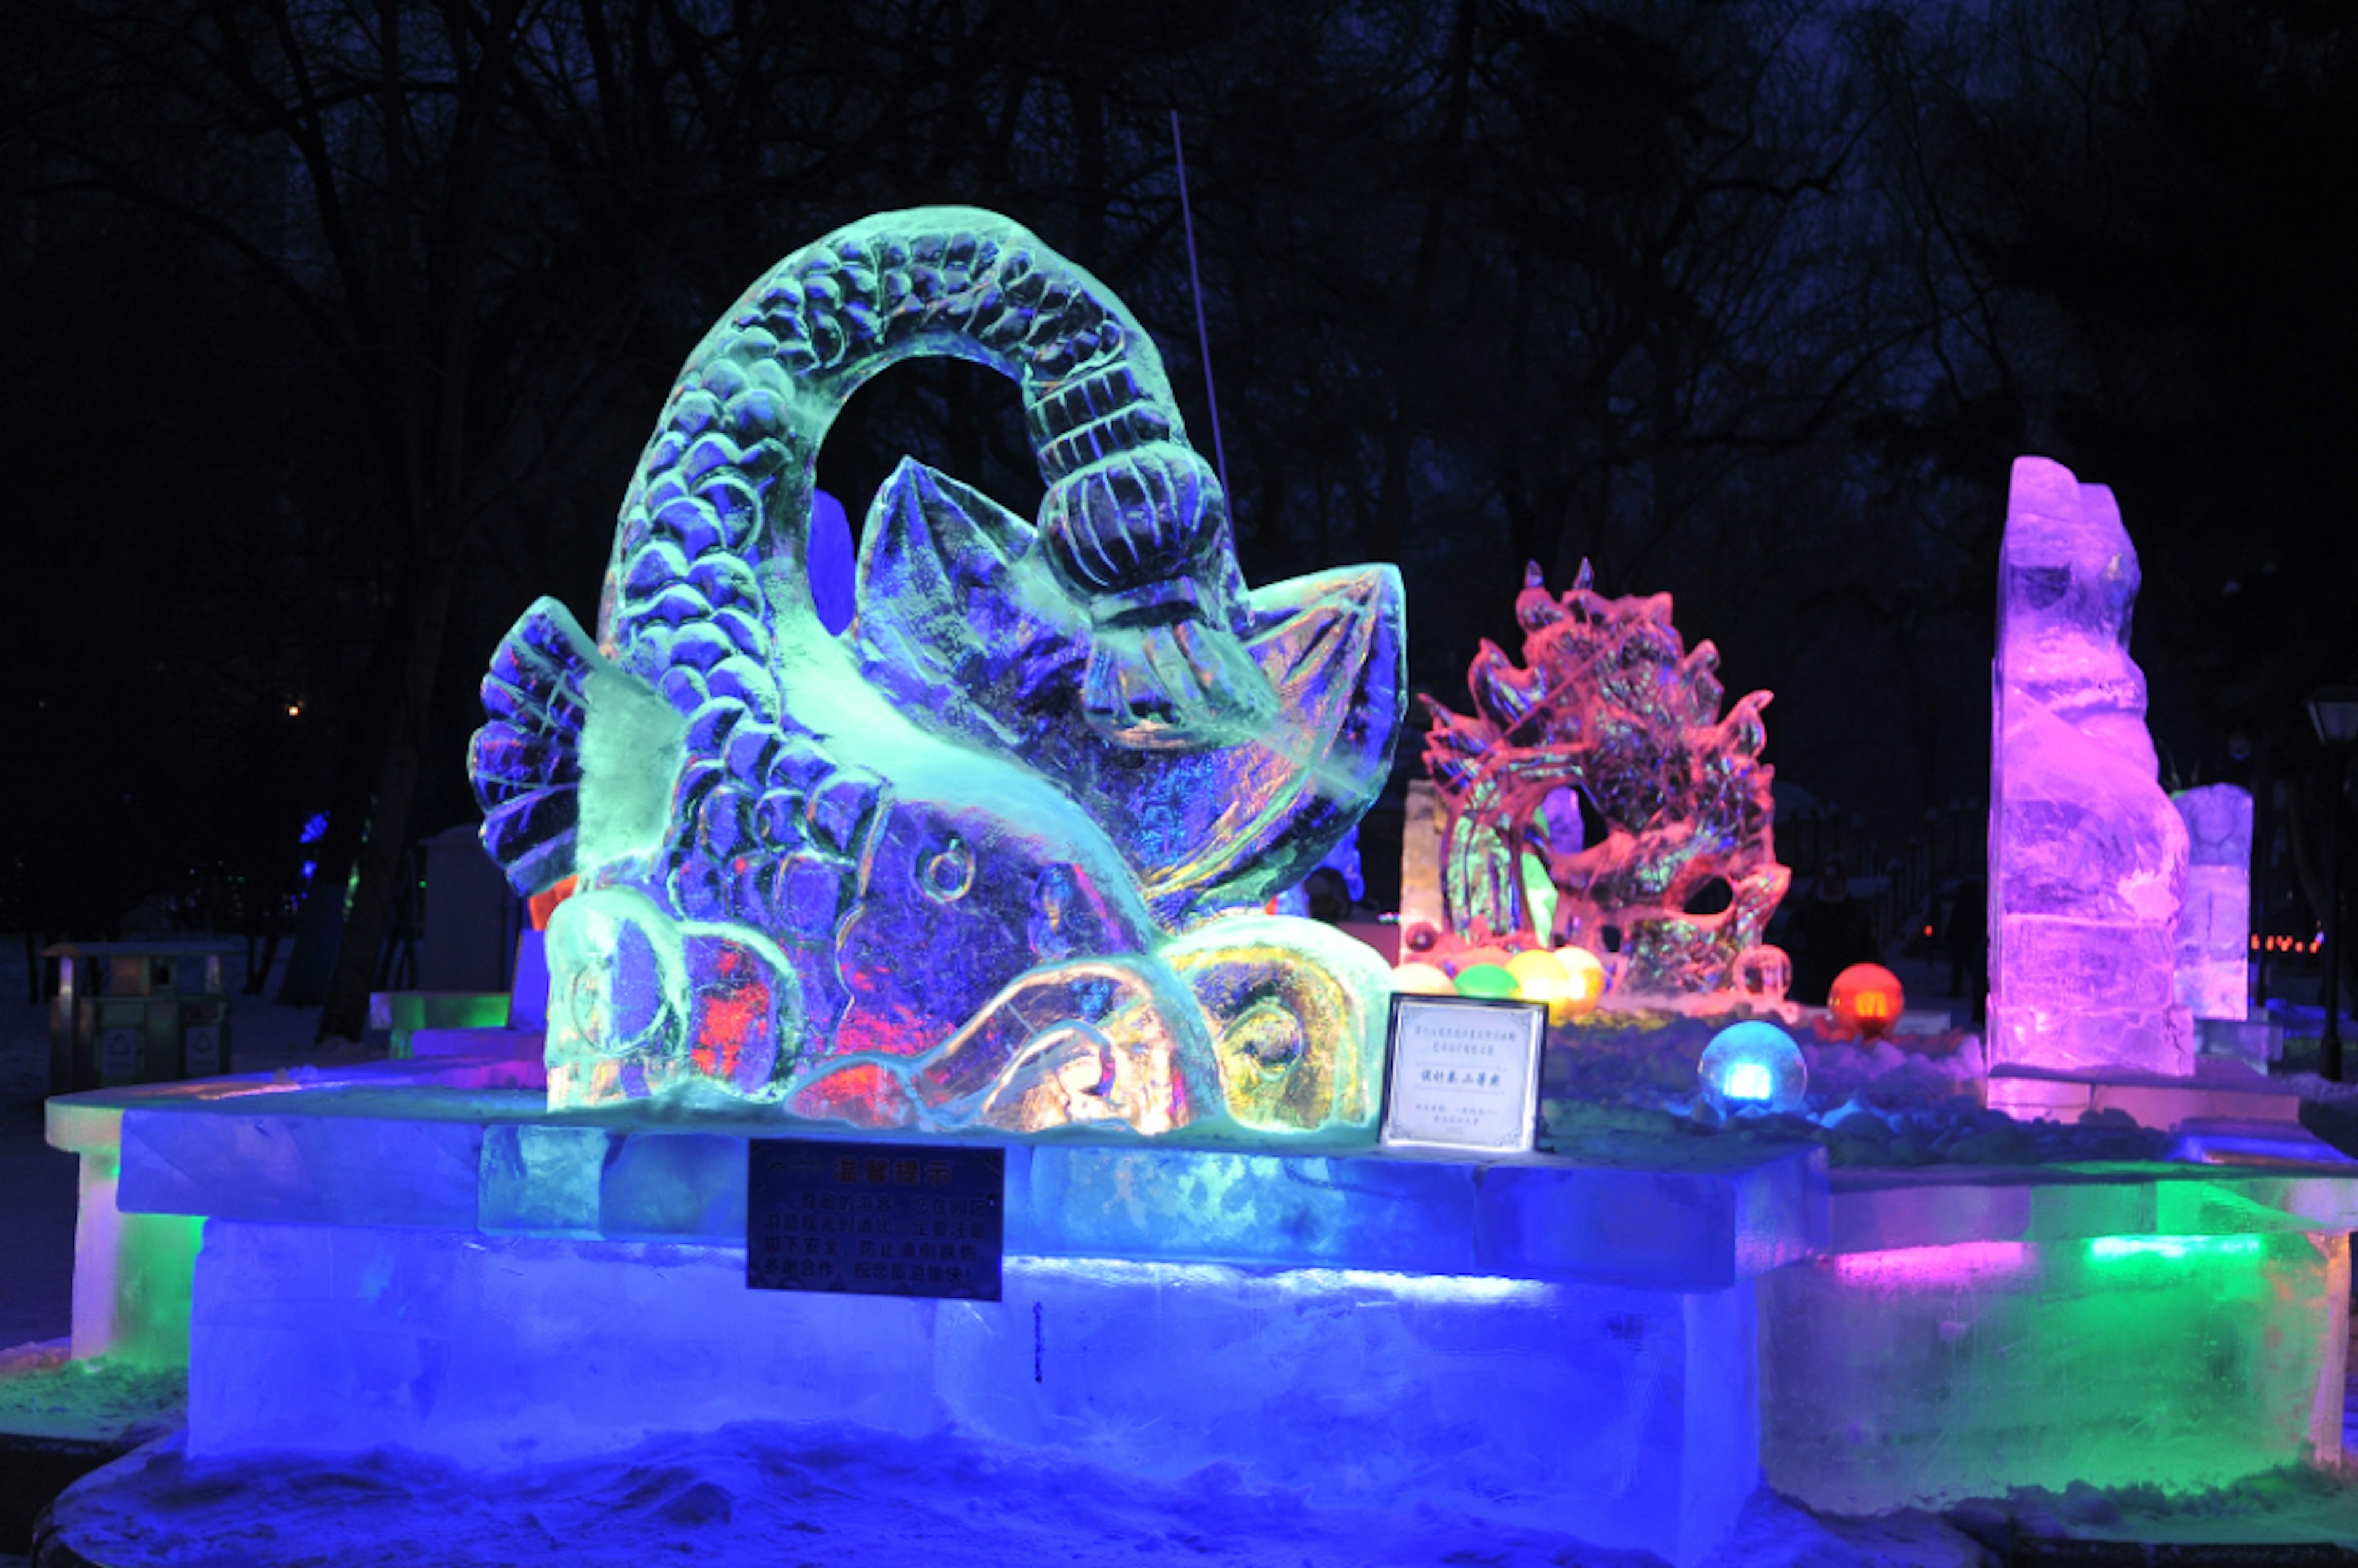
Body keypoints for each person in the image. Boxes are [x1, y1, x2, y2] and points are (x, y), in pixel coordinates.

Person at [1791, 858, 1878, 1006]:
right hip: (1812, 989)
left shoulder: (1857, 914)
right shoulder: (1805, 914)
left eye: (1835, 882)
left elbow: (1869, 949)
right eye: (1827, 882)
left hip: (1850, 988)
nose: (1831, 887)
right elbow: (1794, 948)